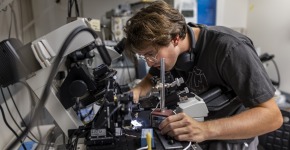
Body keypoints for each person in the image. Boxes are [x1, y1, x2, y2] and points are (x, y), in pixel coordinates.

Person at [124, 1, 283, 149]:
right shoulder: (166, 57)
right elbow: (151, 78)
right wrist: (136, 92)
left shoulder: (229, 48)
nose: (150, 63)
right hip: (194, 138)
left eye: (151, 54)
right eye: (144, 57)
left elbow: (272, 117)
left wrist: (204, 130)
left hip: (230, 142)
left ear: (176, 38)